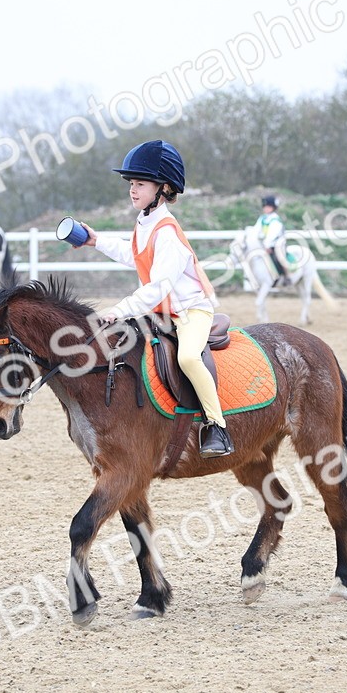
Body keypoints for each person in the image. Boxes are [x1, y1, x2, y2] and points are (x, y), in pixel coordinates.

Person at [78, 140, 233, 458]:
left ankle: (217, 427)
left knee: (188, 358)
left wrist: (118, 310)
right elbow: (132, 253)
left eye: (140, 184)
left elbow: (157, 288)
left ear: (163, 188)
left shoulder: (167, 233)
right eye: (131, 184)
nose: (132, 190)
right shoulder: (145, 223)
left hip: (190, 312)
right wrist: (96, 241)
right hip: (163, 313)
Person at [252, 195, 288, 286]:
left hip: (276, 244)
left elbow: (272, 235)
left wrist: (267, 246)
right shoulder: (262, 218)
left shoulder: (275, 220)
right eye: (265, 207)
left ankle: (284, 276)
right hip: (264, 244)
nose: (266, 208)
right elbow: (255, 230)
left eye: (268, 207)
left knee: (278, 258)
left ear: (273, 208)